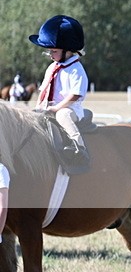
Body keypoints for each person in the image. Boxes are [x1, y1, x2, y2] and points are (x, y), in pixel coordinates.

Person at [28, 15, 89, 163]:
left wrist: (56, 108)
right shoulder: (52, 68)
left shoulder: (76, 69)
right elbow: (43, 91)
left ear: (67, 51)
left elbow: (74, 95)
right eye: (49, 52)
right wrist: (38, 108)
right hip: (49, 107)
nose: (50, 55)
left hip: (69, 109)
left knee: (63, 116)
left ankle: (78, 147)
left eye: (53, 51)